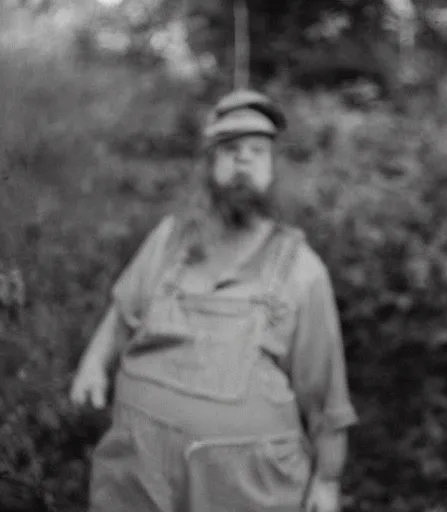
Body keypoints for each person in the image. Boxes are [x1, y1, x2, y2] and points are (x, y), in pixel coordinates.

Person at [69, 89, 357, 512]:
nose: (243, 160)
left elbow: (325, 394)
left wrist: (328, 480)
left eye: (257, 151)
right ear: (208, 165)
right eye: (230, 150)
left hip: (244, 491)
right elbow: (122, 314)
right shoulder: (170, 239)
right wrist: (93, 363)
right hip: (137, 479)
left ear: (276, 169)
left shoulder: (302, 270)